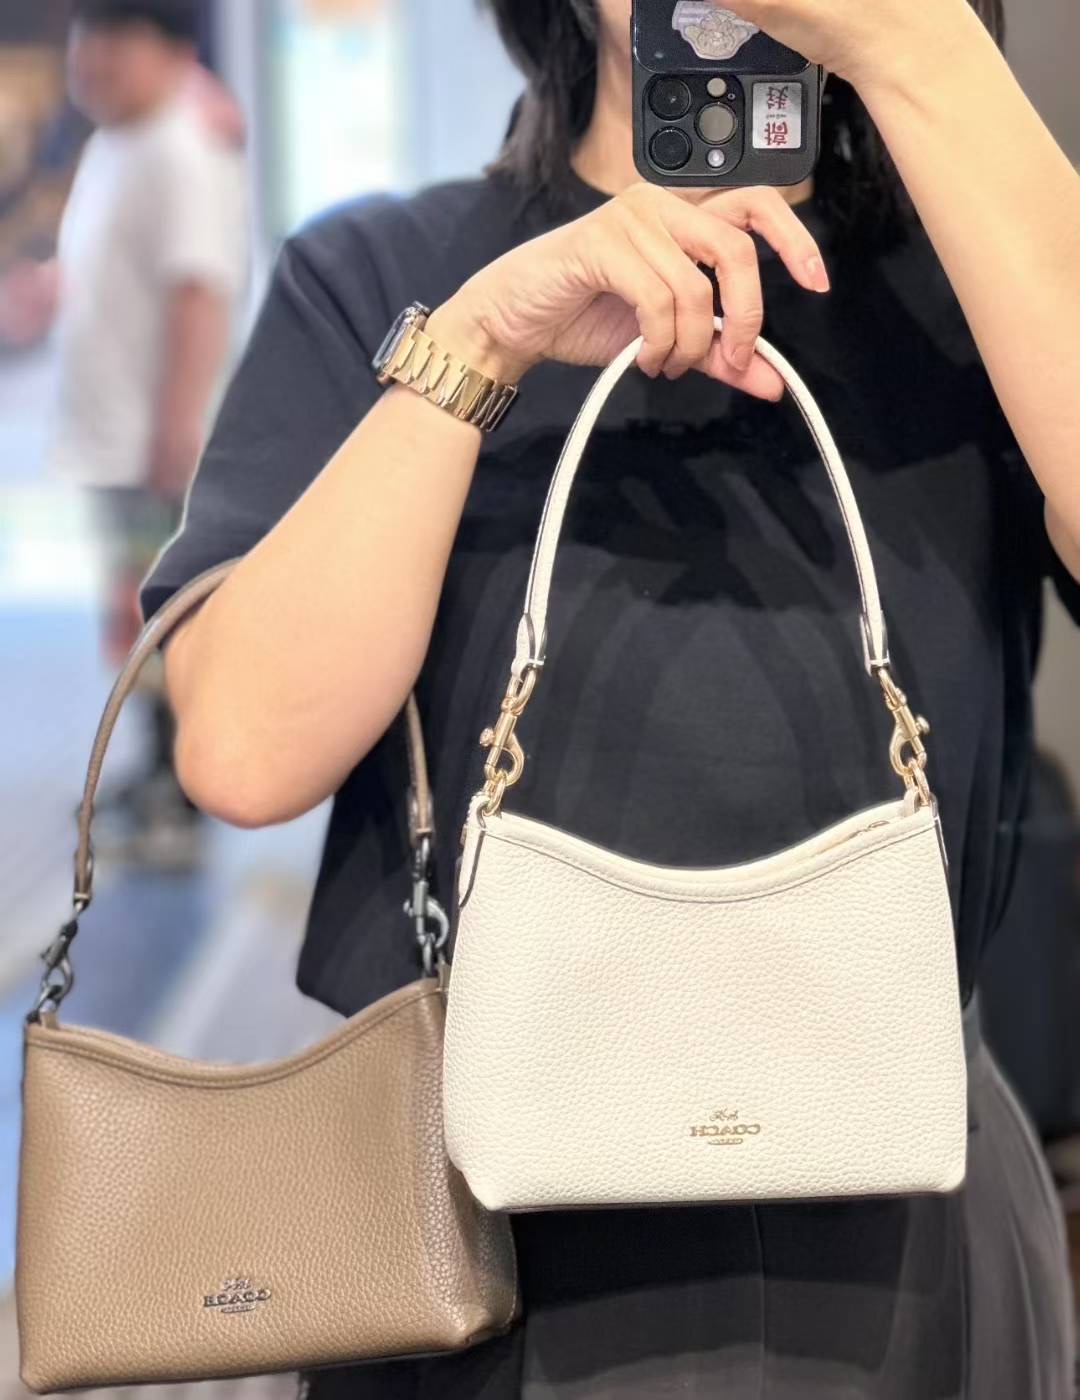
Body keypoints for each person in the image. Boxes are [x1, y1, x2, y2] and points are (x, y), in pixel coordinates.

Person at [142, 0, 1079, 1392]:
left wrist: (922, 50)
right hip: (474, 1228)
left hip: (900, 1202)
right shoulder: (391, 272)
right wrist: (478, 345)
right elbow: (242, 747)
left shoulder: (982, 279)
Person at [49, 0, 247, 866]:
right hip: (114, 441)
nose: (89, 59)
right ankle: (152, 767)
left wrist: (178, 426)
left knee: (166, 624)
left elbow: (199, 294)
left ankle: (181, 797)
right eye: (83, 40)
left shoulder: (181, 148)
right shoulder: (117, 143)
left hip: (153, 446)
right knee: (131, 622)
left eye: (112, 41)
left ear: (170, 51)